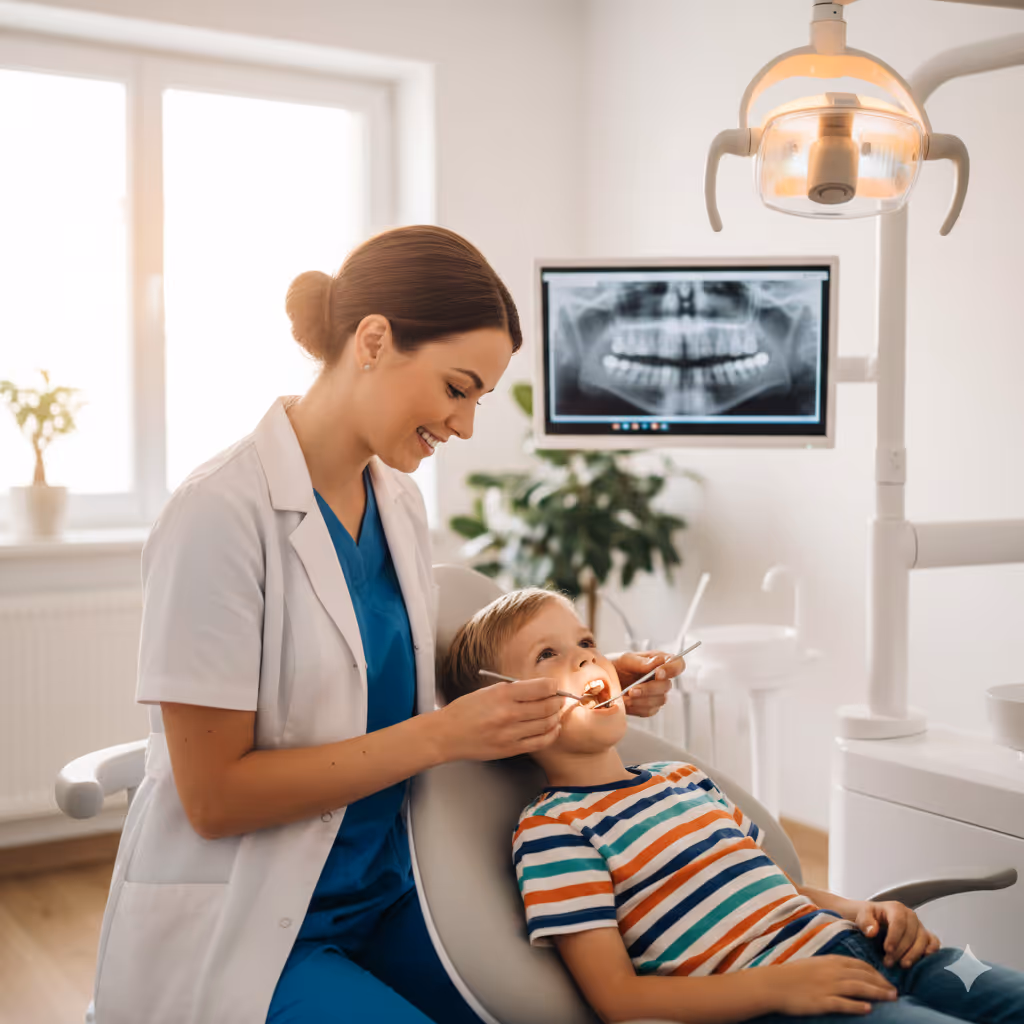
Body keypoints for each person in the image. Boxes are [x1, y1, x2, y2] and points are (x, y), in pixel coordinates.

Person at [89, 225, 685, 1024]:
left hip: (392, 890)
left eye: (477, 398)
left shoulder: (397, 500)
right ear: (373, 341)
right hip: (257, 926)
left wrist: (585, 675)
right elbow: (215, 798)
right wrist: (443, 739)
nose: (466, 424)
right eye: (457, 387)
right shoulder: (218, 515)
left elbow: (396, 680)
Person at [438, 585, 1024, 1024]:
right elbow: (619, 998)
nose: (588, 660)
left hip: (867, 949)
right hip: (799, 1000)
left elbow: (769, 886)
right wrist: (781, 989)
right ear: (507, 712)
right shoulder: (555, 830)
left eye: (587, 643)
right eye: (547, 655)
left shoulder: (682, 778)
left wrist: (862, 909)